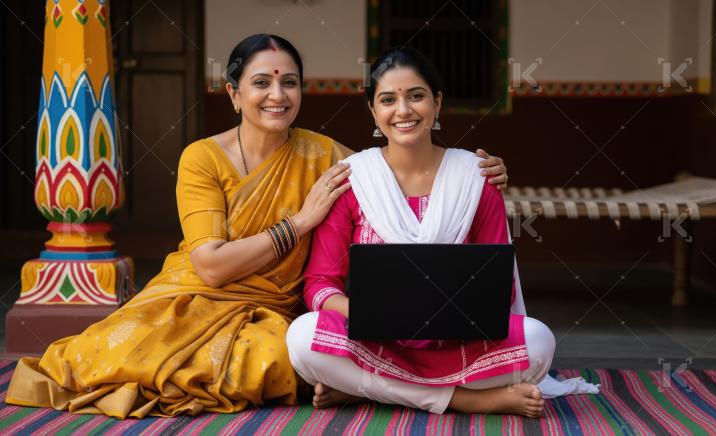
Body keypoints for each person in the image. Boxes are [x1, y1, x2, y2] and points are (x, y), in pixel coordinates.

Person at [5, 35, 510, 418]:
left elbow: (394, 175)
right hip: (189, 296)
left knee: (273, 356)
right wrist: (301, 222)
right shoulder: (202, 158)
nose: (277, 95)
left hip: (272, 313)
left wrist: (473, 171)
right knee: (105, 357)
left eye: (289, 82)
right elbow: (210, 266)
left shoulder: (326, 156)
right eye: (262, 83)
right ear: (233, 93)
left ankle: (357, 385)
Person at [286, 47, 598, 418]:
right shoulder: (354, 180)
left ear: (436, 102)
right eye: (388, 100)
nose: (403, 110)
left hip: (458, 341)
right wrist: (373, 315)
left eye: (415, 96)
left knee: (539, 341)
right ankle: (470, 400)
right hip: (375, 339)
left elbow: (500, 287)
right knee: (301, 336)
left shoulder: (476, 177)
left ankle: (365, 389)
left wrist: (449, 316)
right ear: (373, 110)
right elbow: (320, 285)